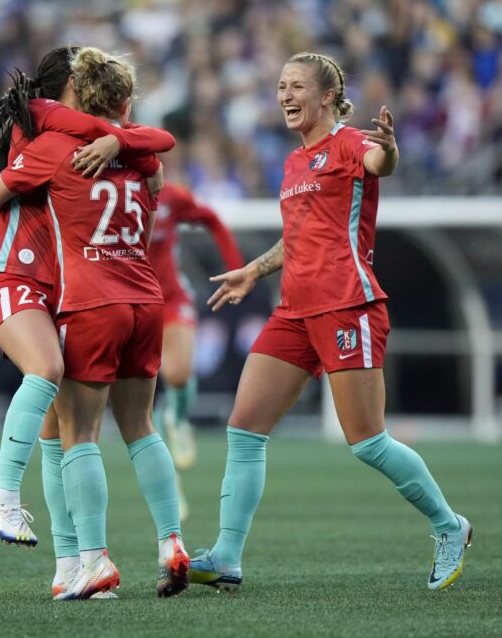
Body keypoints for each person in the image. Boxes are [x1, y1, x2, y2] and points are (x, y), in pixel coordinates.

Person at [188, 52, 472, 592]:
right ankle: (226, 556)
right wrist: (255, 268)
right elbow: (299, 236)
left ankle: (449, 526)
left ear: (325, 97)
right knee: (244, 428)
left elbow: (378, 164)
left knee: (366, 441)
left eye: (296, 86)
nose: (285, 95)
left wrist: (388, 149)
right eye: (279, 86)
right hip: (294, 311)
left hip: (347, 305)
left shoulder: (349, 144)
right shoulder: (294, 163)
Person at [0, 46, 188, 601]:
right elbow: (158, 153)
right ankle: (162, 543)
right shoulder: (137, 157)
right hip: (125, 291)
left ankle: (82, 560)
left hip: (84, 294)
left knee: (69, 434)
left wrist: (113, 136)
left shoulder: (54, 144)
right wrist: (121, 136)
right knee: (130, 423)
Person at [148, 183, 244, 517]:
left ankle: (178, 418)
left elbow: (211, 219)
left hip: (172, 298)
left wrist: (236, 267)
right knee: (138, 407)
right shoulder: (107, 194)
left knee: (177, 373)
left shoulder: (170, 198)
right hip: (128, 302)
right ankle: (169, 487)